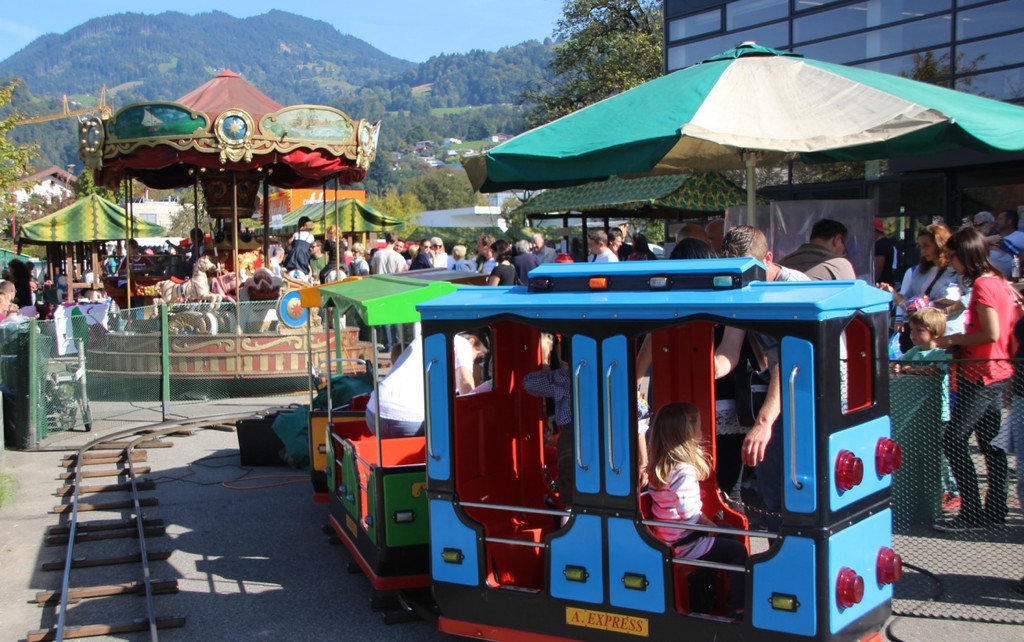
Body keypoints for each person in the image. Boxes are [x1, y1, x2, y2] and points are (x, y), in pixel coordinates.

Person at [933, 227, 1017, 531]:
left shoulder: (983, 284)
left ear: (966, 255)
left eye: (952, 256)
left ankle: (972, 513)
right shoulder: (998, 281)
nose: (950, 262)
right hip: (994, 371)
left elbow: (991, 333)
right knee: (990, 444)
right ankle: (994, 511)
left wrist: (953, 340)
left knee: (954, 440)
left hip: (981, 372)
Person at [646, 402, 747, 612]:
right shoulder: (683, 471)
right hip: (685, 544)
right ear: (688, 434)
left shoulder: (659, 468)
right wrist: (710, 526)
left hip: (668, 538)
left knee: (728, 532)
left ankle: (724, 591)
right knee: (738, 551)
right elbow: (688, 514)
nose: (701, 432)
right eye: (699, 427)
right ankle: (740, 606)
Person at [365, 331, 488, 438]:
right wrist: (475, 418)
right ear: (472, 341)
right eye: (479, 358)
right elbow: (465, 381)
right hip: (406, 419)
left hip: (373, 412)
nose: (476, 363)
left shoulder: (429, 336)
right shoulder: (462, 343)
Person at [877, 224, 964, 353]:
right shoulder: (918, 271)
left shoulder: (955, 270)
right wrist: (894, 294)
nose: (923, 251)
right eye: (920, 246)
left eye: (926, 246)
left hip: (948, 335)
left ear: (939, 245)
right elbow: (910, 305)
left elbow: (970, 298)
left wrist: (945, 311)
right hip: (923, 341)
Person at [523, 333, 573, 504]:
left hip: (571, 437)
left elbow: (529, 383)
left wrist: (544, 365)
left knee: (569, 485)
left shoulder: (564, 377)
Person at [777, 219, 856, 280]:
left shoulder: (782, 264)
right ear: (837, 239)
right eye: (844, 250)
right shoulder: (840, 266)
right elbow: (852, 295)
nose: (842, 254)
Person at [893, 307, 948, 375]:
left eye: (919, 330)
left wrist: (913, 370)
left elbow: (936, 368)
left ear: (935, 333)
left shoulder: (942, 352)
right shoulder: (915, 350)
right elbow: (899, 362)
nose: (913, 333)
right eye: (912, 329)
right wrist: (896, 365)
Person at [874, 217, 898, 287]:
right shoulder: (887, 243)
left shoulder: (881, 245)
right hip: (887, 284)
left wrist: (872, 284)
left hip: (882, 286)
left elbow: (878, 268)